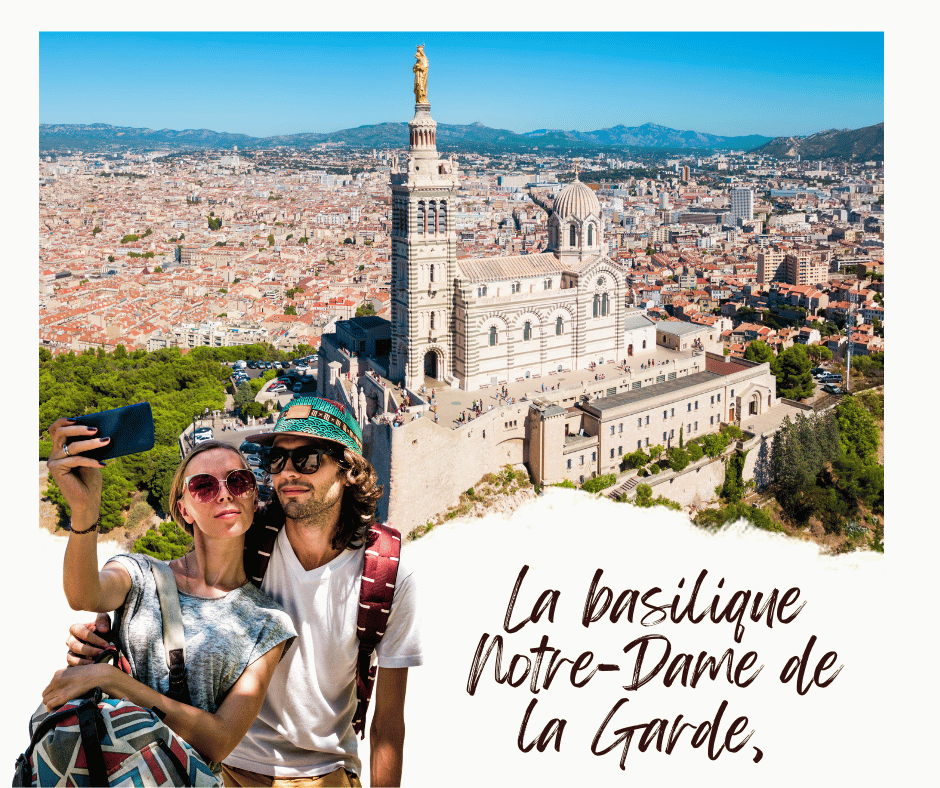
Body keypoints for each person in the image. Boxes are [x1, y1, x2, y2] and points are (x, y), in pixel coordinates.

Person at [67, 397, 422, 787]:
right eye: (276, 458)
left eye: (307, 459)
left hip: (322, 771)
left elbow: (388, 724)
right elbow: (182, 579)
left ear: (346, 471)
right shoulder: (252, 539)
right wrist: (108, 631)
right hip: (218, 765)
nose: (287, 471)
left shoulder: (387, 574)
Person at [45, 423, 296, 775]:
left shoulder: (268, 621)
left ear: (254, 497)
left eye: (238, 481)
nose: (225, 494)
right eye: (204, 486)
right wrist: (85, 511)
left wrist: (113, 681)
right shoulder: (140, 573)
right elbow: (84, 594)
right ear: (184, 510)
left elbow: (220, 741)